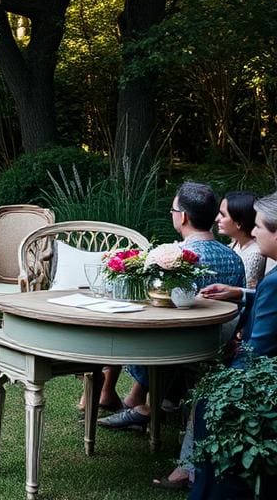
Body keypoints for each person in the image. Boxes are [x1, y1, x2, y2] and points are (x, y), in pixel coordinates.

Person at [155, 191, 277, 496]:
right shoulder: (248, 263)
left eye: (260, 226)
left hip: (260, 368)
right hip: (249, 349)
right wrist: (239, 293)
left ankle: (197, 475)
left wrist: (232, 361)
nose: (255, 231)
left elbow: (258, 347)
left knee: (206, 391)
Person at [98, 181, 246, 429]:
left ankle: (134, 402)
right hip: (218, 341)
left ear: (184, 216)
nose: (172, 215)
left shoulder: (176, 259)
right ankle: (141, 401)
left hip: (178, 344)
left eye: (173, 211)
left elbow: (157, 308)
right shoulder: (234, 257)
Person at [218, 191, 267, 288]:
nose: (217, 219)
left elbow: (244, 288)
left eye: (223, 215)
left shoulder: (254, 255)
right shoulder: (236, 244)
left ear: (239, 223)